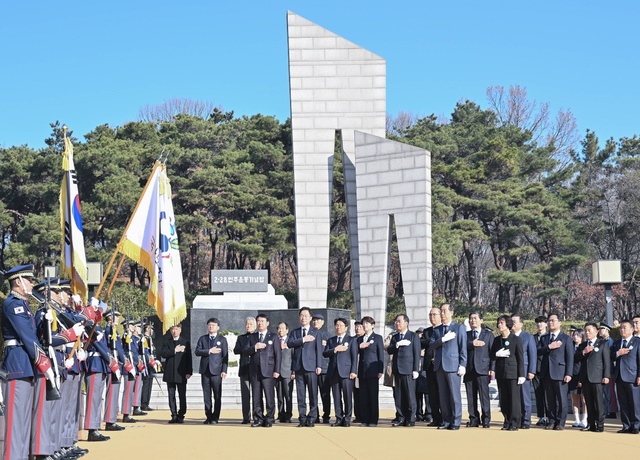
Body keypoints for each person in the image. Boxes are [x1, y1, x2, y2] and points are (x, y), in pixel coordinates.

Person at [430, 303, 467, 430]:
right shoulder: (437, 329)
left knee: (454, 395)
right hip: (440, 365)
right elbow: (431, 345)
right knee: (443, 395)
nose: (442, 313)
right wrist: (442, 340)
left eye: (445, 311)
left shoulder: (459, 327)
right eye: (441, 311)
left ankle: (456, 421)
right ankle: (446, 420)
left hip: (453, 365)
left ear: (451, 312)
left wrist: (462, 364)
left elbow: (463, 348)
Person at [242, 313, 281, 427]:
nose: (260, 323)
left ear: (267, 323)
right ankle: (258, 419)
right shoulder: (252, 337)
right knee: (256, 396)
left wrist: (277, 370)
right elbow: (245, 351)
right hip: (254, 371)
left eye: (262, 321)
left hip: (269, 371)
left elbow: (278, 355)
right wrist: (255, 347)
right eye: (258, 321)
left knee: (269, 396)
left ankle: (269, 418)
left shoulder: (273, 336)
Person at [537, 311, 573, 430]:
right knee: (549, 399)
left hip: (560, 372)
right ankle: (551, 420)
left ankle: (561, 422)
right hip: (546, 372)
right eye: (549, 321)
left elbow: (570, 357)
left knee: (562, 399)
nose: (550, 323)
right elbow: (538, 351)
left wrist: (569, 373)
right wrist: (548, 347)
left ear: (560, 323)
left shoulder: (566, 338)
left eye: (553, 320)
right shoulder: (544, 338)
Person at [287, 307, 323, 427]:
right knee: (300, 395)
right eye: (301, 315)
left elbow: (318, 350)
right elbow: (289, 343)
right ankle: (302, 418)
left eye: (306, 316)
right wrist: (303, 339)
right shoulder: (295, 332)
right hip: (298, 367)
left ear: (310, 318)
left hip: (311, 367)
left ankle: (312, 417)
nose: (303, 318)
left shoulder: (316, 332)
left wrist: (319, 365)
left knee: (313, 394)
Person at [574, 321, 610, 432]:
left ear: (596, 331)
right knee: (588, 402)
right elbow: (576, 359)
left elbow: (606, 362)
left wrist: (606, 376)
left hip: (598, 377)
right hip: (586, 378)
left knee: (599, 402)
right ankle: (591, 424)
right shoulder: (583, 345)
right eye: (585, 331)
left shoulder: (602, 343)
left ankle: (600, 424)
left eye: (589, 330)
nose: (587, 333)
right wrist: (583, 352)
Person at [491, 315, 524, 431]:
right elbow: (491, 355)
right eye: (498, 323)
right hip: (501, 373)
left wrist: (521, 374)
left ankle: (515, 422)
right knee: (504, 399)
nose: (499, 325)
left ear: (508, 325)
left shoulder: (516, 339)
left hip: (513, 373)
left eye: (502, 323)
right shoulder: (497, 340)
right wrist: (496, 354)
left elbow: (520, 358)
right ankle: (507, 420)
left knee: (514, 399)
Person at [387, 314, 421, 427]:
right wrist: (396, 344)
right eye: (396, 321)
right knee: (399, 396)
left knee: (410, 396)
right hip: (397, 370)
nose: (397, 323)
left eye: (399, 321)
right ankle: (401, 417)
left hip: (408, 370)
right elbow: (389, 351)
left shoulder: (413, 336)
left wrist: (416, 369)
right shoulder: (395, 337)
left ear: (406, 323)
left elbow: (416, 353)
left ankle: (411, 419)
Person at [323, 317, 357, 427]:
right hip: (333, 372)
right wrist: (335, 349)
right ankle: (338, 418)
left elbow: (354, 357)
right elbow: (325, 353)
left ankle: (347, 418)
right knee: (336, 397)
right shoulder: (331, 340)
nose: (338, 327)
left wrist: (353, 371)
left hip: (346, 372)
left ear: (346, 327)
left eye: (341, 325)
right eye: (337, 325)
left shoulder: (351, 340)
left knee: (347, 396)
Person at [195, 317, 228, 424]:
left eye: (213, 325)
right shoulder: (203, 338)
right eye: (209, 325)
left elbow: (225, 356)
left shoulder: (222, 340)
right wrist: (209, 351)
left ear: (218, 327)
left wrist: (224, 370)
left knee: (217, 395)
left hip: (217, 372)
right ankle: (208, 416)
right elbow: (197, 351)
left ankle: (215, 417)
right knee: (206, 395)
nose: (211, 327)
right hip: (205, 371)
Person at [464, 310, 494, 428]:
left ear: (481, 320)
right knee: (470, 396)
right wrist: (472, 344)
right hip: (469, 369)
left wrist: (492, 368)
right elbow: (461, 347)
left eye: (475, 318)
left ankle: (486, 418)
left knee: (484, 396)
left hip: (483, 369)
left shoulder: (488, 335)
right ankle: (473, 418)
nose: (473, 320)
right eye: (471, 318)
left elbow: (492, 353)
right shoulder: (466, 335)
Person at [610, 319, 640, 434]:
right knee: (623, 402)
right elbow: (611, 356)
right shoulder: (617, 343)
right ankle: (626, 425)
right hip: (619, 376)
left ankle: (636, 425)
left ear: (632, 329)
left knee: (634, 402)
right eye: (621, 328)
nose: (622, 330)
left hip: (632, 376)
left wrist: (639, 375)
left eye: (625, 328)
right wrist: (618, 353)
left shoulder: (637, 342)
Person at [160, 323, 192, 424]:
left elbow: (189, 358)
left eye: (177, 329)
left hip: (181, 373)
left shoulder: (185, 342)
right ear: (170, 331)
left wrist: (189, 371)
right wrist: (174, 350)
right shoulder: (166, 342)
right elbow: (163, 354)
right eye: (173, 329)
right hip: (170, 372)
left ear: (180, 330)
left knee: (182, 395)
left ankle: (181, 414)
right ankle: (173, 414)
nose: (175, 331)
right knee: (171, 395)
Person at [357, 316, 384, 427]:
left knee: (373, 396)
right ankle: (365, 419)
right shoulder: (359, 339)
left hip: (373, 371)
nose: (365, 325)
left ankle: (373, 420)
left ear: (372, 325)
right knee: (363, 397)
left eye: (367, 323)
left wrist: (380, 370)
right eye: (363, 323)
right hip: (362, 371)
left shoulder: (377, 338)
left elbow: (380, 355)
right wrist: (360, 346)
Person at [511, 314, 536, 429]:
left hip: (525, 371)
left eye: (515, 322)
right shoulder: (508, 336)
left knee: (524, 397)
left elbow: (532, 355)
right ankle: (516, 419)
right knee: (514, 397)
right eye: (511, 322)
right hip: (511, 371)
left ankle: (526, 420)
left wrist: (531, 371)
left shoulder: (528, 337)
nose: (513, 324)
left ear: (521, 324)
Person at [103, 308, 127, 432]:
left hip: (117, 363)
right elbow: (111, 348)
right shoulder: (109, 330)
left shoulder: (114, 331)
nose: (118, 318)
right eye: (115, 316)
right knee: (111, 392)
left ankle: (112, 419)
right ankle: (109, 420)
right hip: (112, 364)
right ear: (110, 318)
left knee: (115, 392)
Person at [422, 307, 442, 427]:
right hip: (429, 367)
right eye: (430, 315)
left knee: (442, 394)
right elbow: (422, 343)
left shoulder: (444, 329)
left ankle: (445, 418)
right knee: (432, 394)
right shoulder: (427, 331)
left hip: (441, 366)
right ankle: (435, 418)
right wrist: (431, 340)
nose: (432, 317)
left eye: (434, 314)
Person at [233, 316, 256, 424]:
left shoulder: (258, 337)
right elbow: (236, 350)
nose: (248, 326)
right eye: (247, 324)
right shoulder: (241, 338)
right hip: (244, 369)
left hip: (256, 369)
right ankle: (246, 417)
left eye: (251, 324)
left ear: (255, 326)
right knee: (245, 395)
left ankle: (257, 416)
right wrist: (247, 349)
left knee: (257, 395)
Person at [311, 313, 331, 424]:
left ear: (323, 322)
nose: (315, 322)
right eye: (314, 320)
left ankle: (326, 415)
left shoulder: (327, 336)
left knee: (325, 393)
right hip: (311, 369)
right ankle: (315, 415)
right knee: (313, 394)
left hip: (324, 369)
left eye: (318, 320)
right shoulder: (309, 334)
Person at [275, 321, 293, 423]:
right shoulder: (274, 340)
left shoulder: (291, 341)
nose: (280, 330)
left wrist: (293, 372)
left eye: (282, 328)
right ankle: (280, 414)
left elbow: (294, 357)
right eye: (279, 328)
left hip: (287, 372)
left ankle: (288, 415)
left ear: (287, 330)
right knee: (279, 395)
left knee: (288, 395)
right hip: (277, 373)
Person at [532, 315, 549, 426]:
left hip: (547, 369)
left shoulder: (549, 337)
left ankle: (548, 416)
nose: (539, 324)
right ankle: (541, 416)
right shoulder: (532, 338)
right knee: (538, 394)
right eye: (538, 323)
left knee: (548, 394)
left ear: (546, 324)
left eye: (542, 322)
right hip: (536, 370)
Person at [569, 328, 587, 427]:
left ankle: (584, 419)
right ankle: (576, 419)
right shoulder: (570, 346)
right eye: (574, 335)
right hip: (572, 375)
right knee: (574, 398)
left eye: (578, 335)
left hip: (582, 375)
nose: (575, 337)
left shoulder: (584, 346)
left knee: (584, 399)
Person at [599, 322, 617, 418]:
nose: (600, 331)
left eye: (602, 329)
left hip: (609, 370)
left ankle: (612, 410)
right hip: (602, 370)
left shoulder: (610, 342)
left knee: (610, 392)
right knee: (605, 393)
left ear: (607, 330)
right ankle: (607, 409)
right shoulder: (602, 341)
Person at [140, 321, 157, 412]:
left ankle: (147, 403)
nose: (152, 331)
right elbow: (145, 352)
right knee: (146, 383)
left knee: (150, 383)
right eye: (151, 329)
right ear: (147, 329)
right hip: (146, 364)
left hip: (151, 364)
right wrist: (150, 361)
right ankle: (143, 403)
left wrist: (155, 360)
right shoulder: (144, 339)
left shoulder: (149, 339)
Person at [352, 320, 364, 423]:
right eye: (356, 327)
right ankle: (358, 415)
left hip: (363, 370)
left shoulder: (365, 339)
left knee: (363, 394)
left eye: (360, 327)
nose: (357, 329)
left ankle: (365, 414)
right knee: (355, 394)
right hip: (352, 370)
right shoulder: (352, 339)